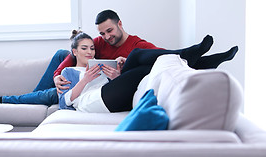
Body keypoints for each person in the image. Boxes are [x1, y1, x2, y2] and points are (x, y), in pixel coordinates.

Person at [0, 9, 161, 105]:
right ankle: (31, 99)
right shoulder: (99, 43)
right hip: (80, 82)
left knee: (49, 95)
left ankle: (25, 99)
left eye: (110, 31)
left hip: (98, 89)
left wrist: (128, 64)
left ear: (120, 24)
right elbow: (79, 50)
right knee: (62, 55)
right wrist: (57, 76)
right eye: (102, 33)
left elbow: (163, 58)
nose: (106, 37)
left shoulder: (139, 46)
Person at [60, 31, 238, 113]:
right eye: (84, 48)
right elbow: (64, 103)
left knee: (144, 65)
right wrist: (84, 80)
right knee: (136, 56)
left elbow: (117, 85)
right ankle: (190, 56)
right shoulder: (69, 71)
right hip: (94, 102)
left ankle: (202, 63)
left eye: (92, 48)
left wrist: (116, 76)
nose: (90, 52)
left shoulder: (99, 65)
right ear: (74, 51)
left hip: (112, 94)